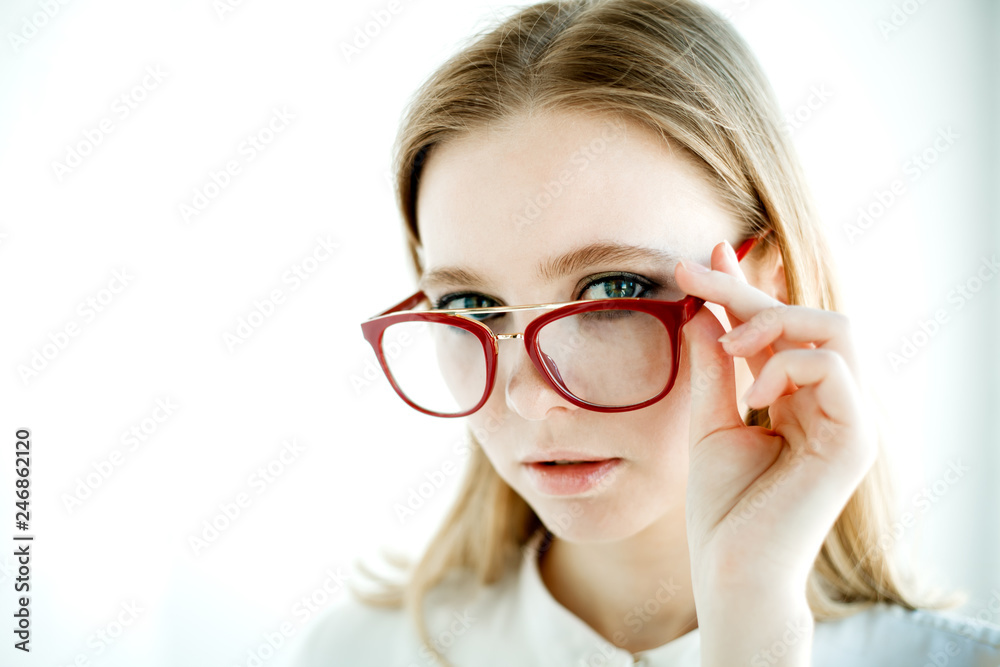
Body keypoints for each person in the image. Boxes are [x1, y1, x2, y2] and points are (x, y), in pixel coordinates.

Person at [290, 0, 1000, 665]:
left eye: (615, 291)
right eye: (474, 304)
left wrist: (753, 623)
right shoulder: (356, 650)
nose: (532, 398)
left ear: (766, 290)